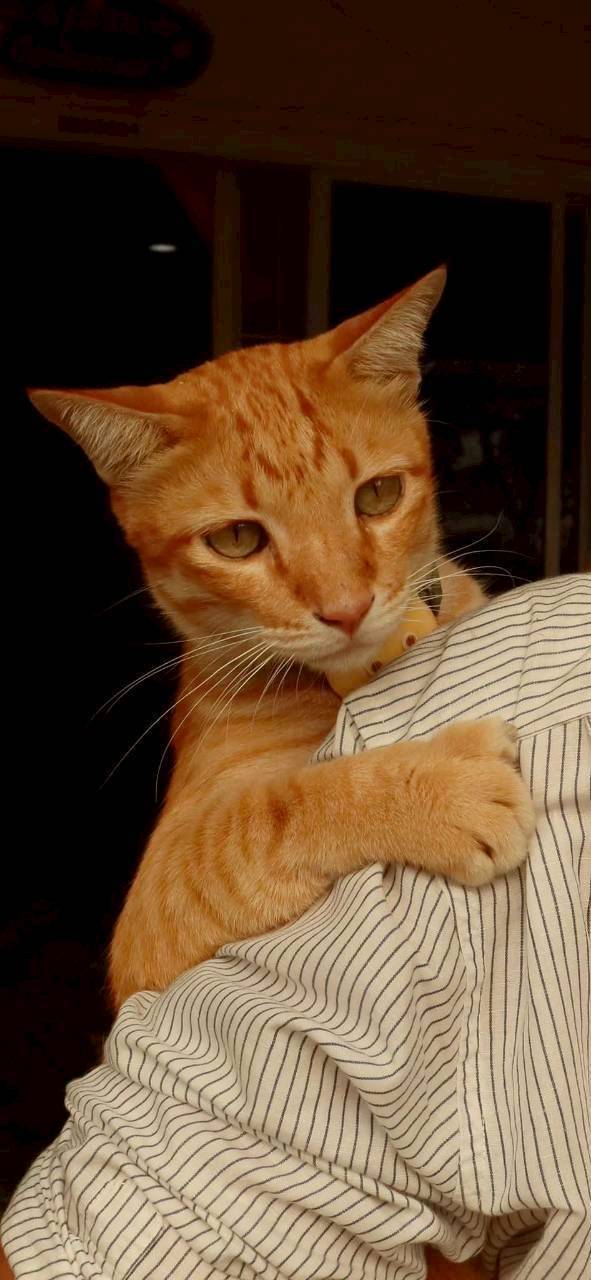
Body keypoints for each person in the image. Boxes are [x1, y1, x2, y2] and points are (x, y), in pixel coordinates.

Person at [2, 574, 589, 1280]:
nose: (343, 603)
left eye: (373, 511)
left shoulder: (526, 670)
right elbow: (146, 961)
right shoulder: (546, 696)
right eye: (242, 539)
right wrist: (359, 807)